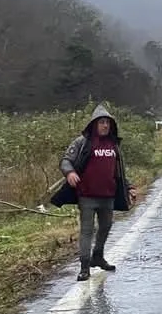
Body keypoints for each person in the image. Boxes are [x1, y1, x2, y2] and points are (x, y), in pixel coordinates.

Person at [50, 105, 137, 281]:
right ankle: (84, 267)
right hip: (87, 195)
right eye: (102, 122)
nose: (105, 126)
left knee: (106, 227)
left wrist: (129, 187)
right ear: (94, 124)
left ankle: (98, 256)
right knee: (87, 230)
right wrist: (70, 173)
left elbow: (118, 171)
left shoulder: (114, 145)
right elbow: (66, 160)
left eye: (108, 123)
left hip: (108, 196)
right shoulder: (82, 142)